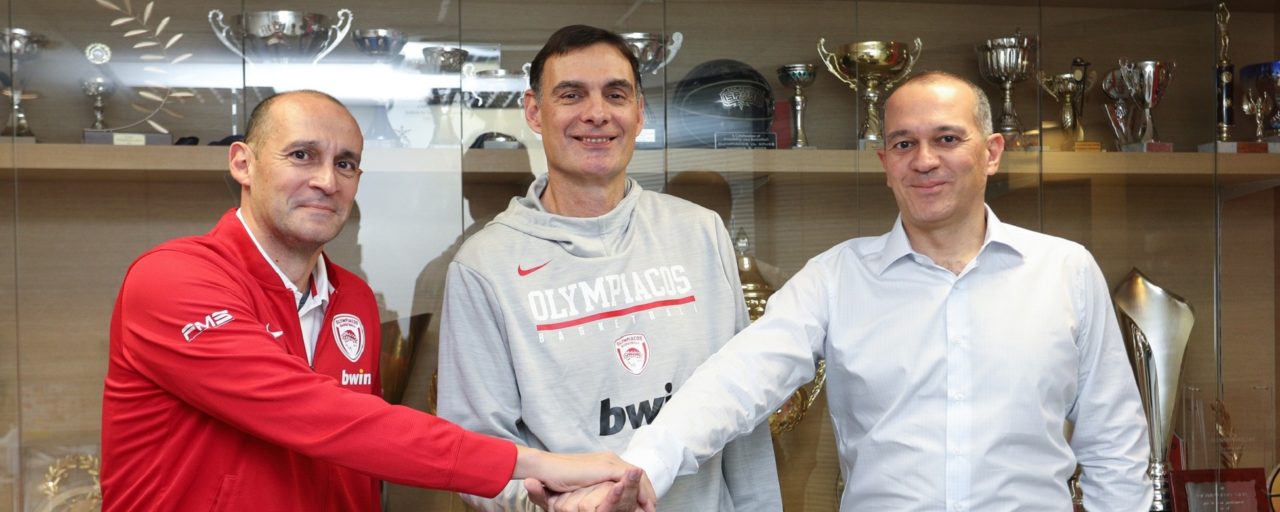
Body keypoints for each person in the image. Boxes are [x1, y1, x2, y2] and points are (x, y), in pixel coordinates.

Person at [585, 71, 1152, 510]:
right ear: (885, 163)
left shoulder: (1065, 271)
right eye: (903, 144)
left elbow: (1115, 446)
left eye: (947, 138)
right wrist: (642, 469)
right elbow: (735, 381)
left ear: (992, 152)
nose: (924, 161)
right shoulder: (836, 278)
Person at [99, 90, 649, 511]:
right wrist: (539, 464)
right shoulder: (173, 280)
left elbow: (360, 459)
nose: (326, 180)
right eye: (302, 155)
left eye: (345, 164)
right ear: (243, 163)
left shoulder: (354, 299)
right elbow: (324, 418)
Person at [437, 25, 782, 511]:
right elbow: (478, 452)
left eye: (615, 95)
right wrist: (558, 506)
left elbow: (741, 414)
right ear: (534, 111)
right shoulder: (484, 266)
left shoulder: (700, 232)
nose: (596, 113)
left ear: (639, 112)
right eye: (571, 94)